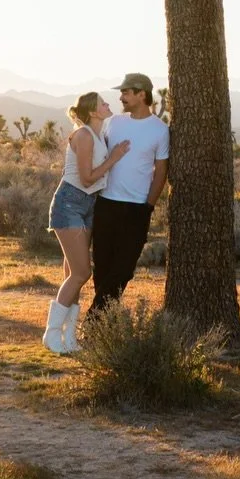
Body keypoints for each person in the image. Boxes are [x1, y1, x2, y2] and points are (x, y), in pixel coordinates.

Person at [43, 91, 128, 354]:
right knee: (82, 273)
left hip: (88, 205)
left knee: (74, 274)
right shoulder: (83, 135)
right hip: (70, 203)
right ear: (92, 111)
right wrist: (114, 159)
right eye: (103, 103)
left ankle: (69, 339)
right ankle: (52, 334)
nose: (108, 105)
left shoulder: (99, 134)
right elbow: (87, 178)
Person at [89, 72, 169, 314]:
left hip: (137, 208)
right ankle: (104, 322)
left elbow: (161, 172)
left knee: (124, 270)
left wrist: (148, 206)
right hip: (106, 204)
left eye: (125, 92)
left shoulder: (159, 130)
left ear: (141, 94)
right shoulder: (114, 123)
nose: (121, 97)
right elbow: (97, 154)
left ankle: (95, 319)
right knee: (102, 269)